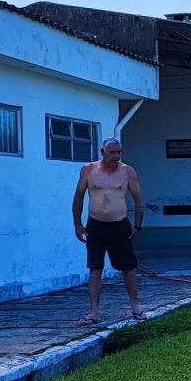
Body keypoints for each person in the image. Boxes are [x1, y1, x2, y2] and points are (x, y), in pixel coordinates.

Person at [72, 137, 146, 325]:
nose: (116, 156)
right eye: (112, 152)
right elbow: (78, 198)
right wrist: (78, 225)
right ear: (102, 151)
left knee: (128, 269)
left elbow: (138, 199)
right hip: (95, 226)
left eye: (119, 152)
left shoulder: (127, 171)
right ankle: (94, 312)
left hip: (119, 225)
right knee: (95, 269)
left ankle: (136, 306)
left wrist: (137, 225)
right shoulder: (89, 170)